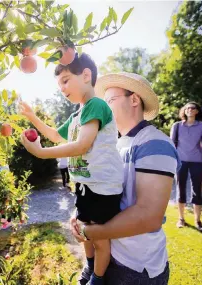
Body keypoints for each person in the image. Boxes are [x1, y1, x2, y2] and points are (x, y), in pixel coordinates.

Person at [19, 53, 124, 285]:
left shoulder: (95, 105)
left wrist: (40, 152)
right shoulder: (78, 114)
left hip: (103, 186)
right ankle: (89, 267)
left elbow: (82, 145)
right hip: (86, 184)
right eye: (59, 85)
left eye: (65, 80)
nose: (62, 88)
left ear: (86, 75)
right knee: (83, 229)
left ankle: (98, 278)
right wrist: (33, 117)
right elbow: (56, 135)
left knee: (99, 237)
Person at [70, 72, 181, 285]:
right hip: (109, 256)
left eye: (110, 100)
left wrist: (89, 231)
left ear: (134, 99)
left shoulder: (155, 143)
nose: (103, 107)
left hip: (134, 268)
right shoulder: (115, 145)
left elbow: (149, 215)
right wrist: (81, 216)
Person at [170, 102, 202, 232]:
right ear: (184, 111)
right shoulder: (177, 126)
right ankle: (181, 219)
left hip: (196, 162)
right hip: (180, 162)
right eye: (187, 108)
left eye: (192, 108)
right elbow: (172, 145)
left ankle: (197, 220)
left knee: (197, 191)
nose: (189, 110)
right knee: (180, 189)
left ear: (197, 111)